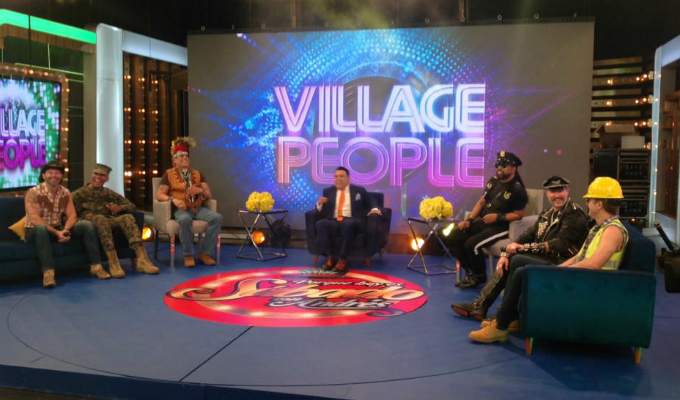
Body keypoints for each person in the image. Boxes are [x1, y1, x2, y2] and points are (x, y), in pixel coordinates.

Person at [468, 176, 629, 344]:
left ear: (599, 204)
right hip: (579, 276)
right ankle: (506, 319)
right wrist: (507, 254)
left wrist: (561, 271)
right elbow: (579, 256)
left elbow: (594, 264)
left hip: (588, 284)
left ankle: (501, 324)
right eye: (552, 191)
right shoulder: (599, 227)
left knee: (520, 266)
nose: (587, 202)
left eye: (589, 199)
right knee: (519, 265)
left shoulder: (612, 230)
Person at [451, 176, 589, 320]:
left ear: (567, 191)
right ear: (547, 193)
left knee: (516, 259)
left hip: (563, 263)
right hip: (545, 258)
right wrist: (506, 252)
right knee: (509, 258)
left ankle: (501, 313)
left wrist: (520, 248)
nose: (557, 195)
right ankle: (485, 307)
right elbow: (526, 236)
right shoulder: (547, 214)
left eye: (560, 190)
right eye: (552, 191)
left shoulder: (574, 213)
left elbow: (559, 245)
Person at [446, 151, 528, 288]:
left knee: (472, 244)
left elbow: (518, 214)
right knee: (453, 236)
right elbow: (481, 202)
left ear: (513, 168)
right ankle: (471, 272)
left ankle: (479, 276)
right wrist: (469, 220)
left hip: (501, 227)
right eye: (498, 164)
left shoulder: (518, 190)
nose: (499, 168)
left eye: (504, 165)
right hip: (484, 223)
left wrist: (498, 217)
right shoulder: (493, 182)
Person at [24, 160, 104, 287]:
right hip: (34, 231)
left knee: (86, 225)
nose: (54, 175)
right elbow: (35, 219)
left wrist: (65, 231)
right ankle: (48, 273)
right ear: (44, 175)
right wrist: (57, 233)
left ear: (61, 176)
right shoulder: (33, 192)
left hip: (58, 228)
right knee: (41, 229)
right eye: (50, 172)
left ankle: (96, 266)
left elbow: (72, 215)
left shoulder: (65, 192)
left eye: (57, 173)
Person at [73, 163, 159, 278]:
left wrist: (119, 208)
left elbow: (131, 205)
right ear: (92, 175)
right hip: (91, 224)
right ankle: (113, 263)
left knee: (128, 217)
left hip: (108, 221)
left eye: (102, 175)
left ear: (107, 179)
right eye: (96, 174)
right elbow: (68, 215)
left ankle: (142, 260)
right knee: (100, 218)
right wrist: (83, 218)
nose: (98, 177)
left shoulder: (108, 193)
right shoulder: (79, 194)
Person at [155, 137, 223, 267]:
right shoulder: (168, 174)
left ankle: (205, 253)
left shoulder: (198, 173)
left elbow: (208, 194)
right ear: (174, 160)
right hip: (181, 209)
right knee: (185, 219)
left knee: (217, 218)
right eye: (181, 156)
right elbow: (159, 194)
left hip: (198, 208)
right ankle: (188, 255)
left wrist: (200, 190)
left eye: (186, 155)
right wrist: (173, 199)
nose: (185, 158)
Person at [315, 167, 382, 272]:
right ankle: (330, 257)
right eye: (336, 177)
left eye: (341, 176)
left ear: (348, 178)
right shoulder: (328, 191)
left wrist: (375, 209)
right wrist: (319, 204)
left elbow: (372, 201)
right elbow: (320, 211)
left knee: (347, 224)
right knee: (321, 224)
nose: (338, 179)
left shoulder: (359, 190)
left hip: (353, 219)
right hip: (334, 220)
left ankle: (342, 259)